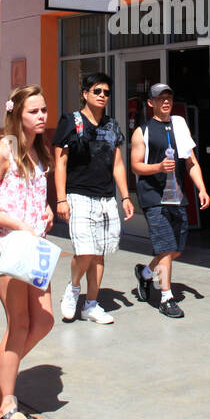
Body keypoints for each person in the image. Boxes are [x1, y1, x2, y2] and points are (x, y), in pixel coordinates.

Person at [0, 85, 56, 419]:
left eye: (44, 110)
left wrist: (47, 211)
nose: (42, 116)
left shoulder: (40, 151)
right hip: (7, 247)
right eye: (34, 111)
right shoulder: (4, 150)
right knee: (18, 324)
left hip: (33, 248)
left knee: (45, 319)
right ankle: (5, 406)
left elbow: (33, 196)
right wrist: (18, 223)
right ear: (17, 113)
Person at [53, 71, 134, 324]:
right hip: (78, 196)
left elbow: (118, 164)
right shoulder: (71, 121)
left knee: (99, 253)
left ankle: (91, 304)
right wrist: (60, 199)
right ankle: (73, 288)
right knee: (85, 251)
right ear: (85, 94)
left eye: (106, 92)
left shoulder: (112, 126)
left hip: (106, 199)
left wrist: (125, 196)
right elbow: (60, 163)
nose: (102, 96)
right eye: (97, 91)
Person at [130, 83, 210, 319]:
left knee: (175, 250)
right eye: (160, 98)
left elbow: (191, 161)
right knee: (165, 248)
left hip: (176, 195)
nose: (165, 101)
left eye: (169, 97)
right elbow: (135, 164)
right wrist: (158, 167)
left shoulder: (179, 124)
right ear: (150, 102)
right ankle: (166, 297)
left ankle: (145, 273)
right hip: (153, 196)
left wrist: (202, 189)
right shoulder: (142, 131)